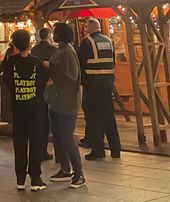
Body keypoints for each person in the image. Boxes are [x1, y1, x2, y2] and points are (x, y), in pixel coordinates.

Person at [2, 29, 47, 192]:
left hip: (18, 108)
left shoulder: (10, 62)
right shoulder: (36, 62)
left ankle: (20, 178)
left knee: (19, 143)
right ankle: (35, 178)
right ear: (29, 43)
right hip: (35, 108)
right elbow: (43, 81)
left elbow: (6, 80)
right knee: (35, 142)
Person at [46, 22, 86, 188]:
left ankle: (79, 174)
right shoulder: (60, 50)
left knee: (67, 136)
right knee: (58, 135)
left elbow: (72, 75)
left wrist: (51, 69)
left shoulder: (68, 52)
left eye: (55, 32)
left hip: (67, 101)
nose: (52, 35)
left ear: (60, 34)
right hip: (56, 99)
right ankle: (65, 168)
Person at [78, 17, 121, 160]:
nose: (85, 31)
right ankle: (115, 149)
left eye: (85, 28)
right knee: (109, 115)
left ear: (90, 28)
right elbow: (113, 61)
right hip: (107, 83)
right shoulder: (108, 41)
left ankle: (98, 150)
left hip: (92, 85)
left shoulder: (87, 42)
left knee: (94, 117)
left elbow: (80, 64)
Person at [32, 28, 57, 162]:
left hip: (38, 88)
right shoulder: (54, 50)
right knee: (54, 120)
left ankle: (41, 151)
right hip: (52, 88)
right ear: (49, 35)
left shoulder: (34, 50)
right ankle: (59, 153)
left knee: (41, 121)